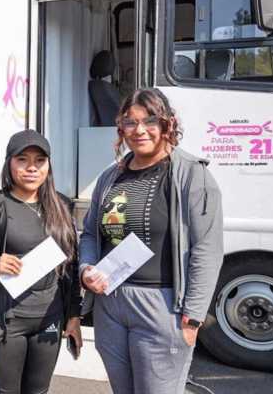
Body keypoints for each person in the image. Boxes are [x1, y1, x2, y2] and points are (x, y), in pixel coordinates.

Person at [79, 88, 223, 394]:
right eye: (130, 122)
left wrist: (193, 317)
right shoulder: (110, 176)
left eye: (149, 121)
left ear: (167, 123)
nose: (139, 130)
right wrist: (86, 269)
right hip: (111, 304)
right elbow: (91, 233)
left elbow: (207, 249)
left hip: (162, 306)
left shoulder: (190, 175)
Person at [0, 129, 82, 394]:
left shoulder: (62, 206)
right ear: (9, 163)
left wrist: (73, 315)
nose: (32, 168)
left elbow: (71, 268)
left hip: (49, 319)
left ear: (48, 165)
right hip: (7, 322)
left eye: (40, 160)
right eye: (22, 159)